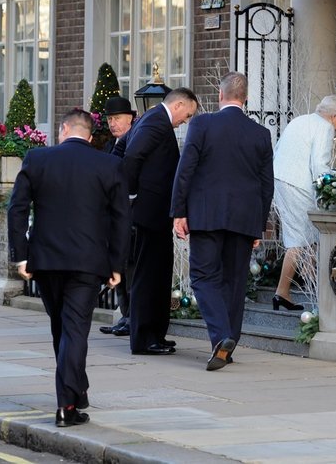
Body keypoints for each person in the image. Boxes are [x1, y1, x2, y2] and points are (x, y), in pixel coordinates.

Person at [7, 109, 131, 428]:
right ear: (90, 137)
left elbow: (17, 208)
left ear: (62, 130)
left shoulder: (37, 159)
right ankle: (67, 405)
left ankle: (77, 390)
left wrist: (20, 256)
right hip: (88, 263)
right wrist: (117, 264)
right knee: (73, 330)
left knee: (62, 329)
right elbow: (121, 219)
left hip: (46, 262)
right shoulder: (108, 164)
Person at [171, 71, 273, 371]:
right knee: (235, 282)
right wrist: (259, 225)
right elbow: (267, 184)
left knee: (202, 276)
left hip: (206, 215)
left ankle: (221, 336)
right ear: (246, 99)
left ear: (220, 94)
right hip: (244, 218)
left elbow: (185, 168)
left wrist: (179, 211)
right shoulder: (260, 134)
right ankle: (227, 346)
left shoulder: (202, 123)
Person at [123, 86, 199, 356]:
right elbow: (131, 156)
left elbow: (124, 148)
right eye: (187, 115)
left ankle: (155, 333)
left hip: (156, 211)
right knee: (149, 275)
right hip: (149, 211)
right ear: (178, 105)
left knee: (159, 273)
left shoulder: (151, 119)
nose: (185, 121)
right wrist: (132, 193)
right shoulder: (156, 121)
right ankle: (145, 338)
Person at [271, 94, 336, 310]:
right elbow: (320, 166)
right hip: (299, 185)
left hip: (281, 181)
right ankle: (283, 292)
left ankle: (314, 288)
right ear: (333, 117)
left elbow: (278, 151)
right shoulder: (325, 127)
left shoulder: (300, 120)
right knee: (300, 239)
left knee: (308, 238)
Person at [98, 95, 136, 337]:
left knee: (130, 270)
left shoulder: (135, 141)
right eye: (110, 119)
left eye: (117, 118)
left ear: (130, 118)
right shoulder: (109, 146)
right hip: (113, 218)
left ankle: (133, 317)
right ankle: (125, 315)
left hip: (131, 217)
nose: (112, 123)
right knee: (118, 270)